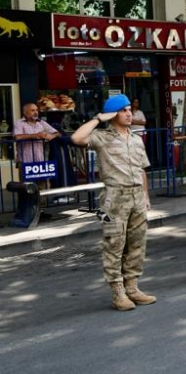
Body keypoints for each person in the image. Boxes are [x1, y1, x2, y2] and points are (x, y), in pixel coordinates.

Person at [71, 94, 155, 311]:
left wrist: (146, 196)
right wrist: (98, 118)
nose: (129, 114)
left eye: (129, 110)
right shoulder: (101, 137)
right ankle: (118, 292)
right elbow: (77, 138)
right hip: (115, 197)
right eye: (123, 110)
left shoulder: (136, 139)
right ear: (112, 114)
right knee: (114, 245)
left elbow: (142, 170)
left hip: (137, 196)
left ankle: (132, 287)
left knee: (137, 244)